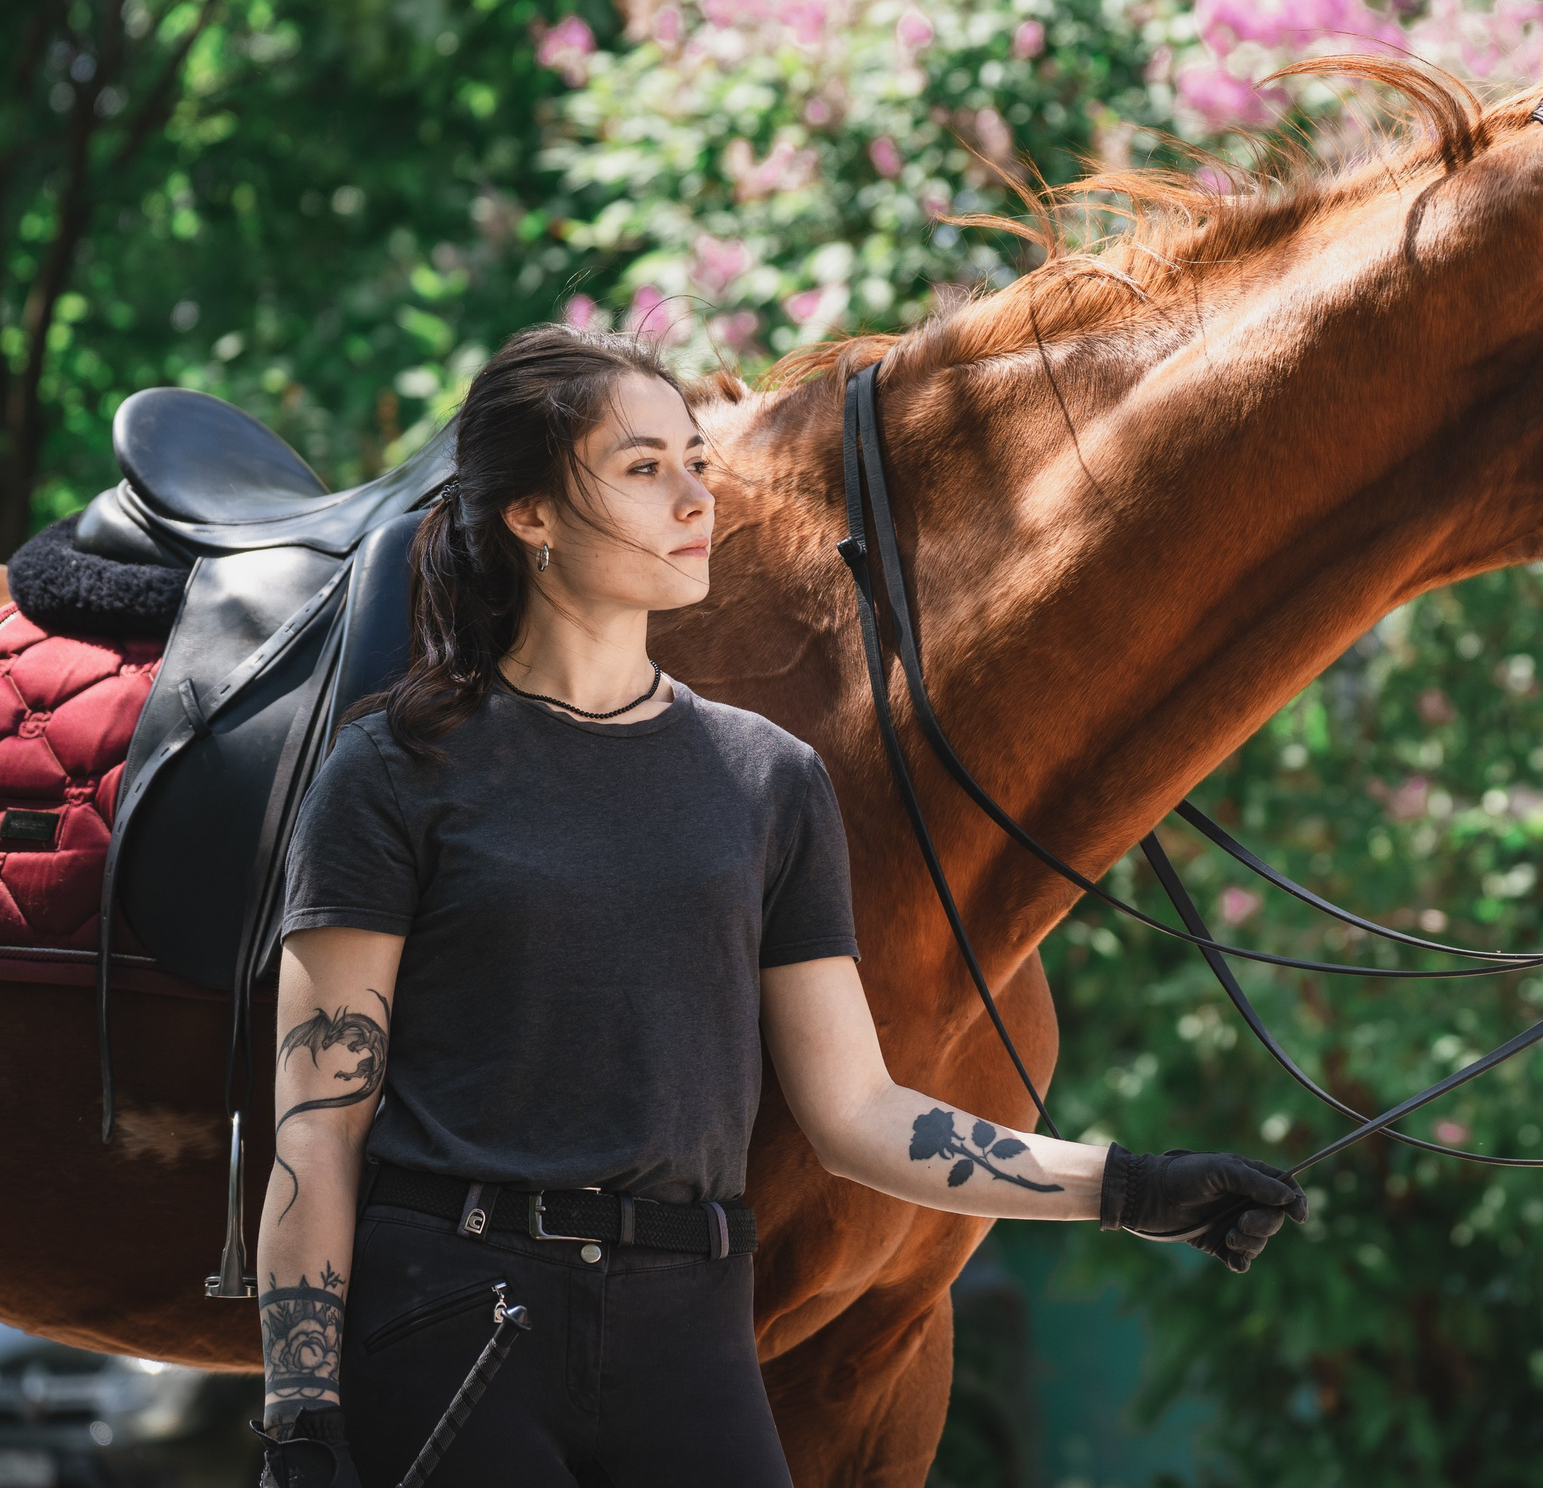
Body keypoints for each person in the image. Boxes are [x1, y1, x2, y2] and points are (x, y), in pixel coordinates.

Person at [251, 327, 1305, 1488]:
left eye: (695, 461)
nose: (695, 497)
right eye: (642, 467)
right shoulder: (396, 769)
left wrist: (1125, 1187)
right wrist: (302, 1417)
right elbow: (321, 1124)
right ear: (531, 514)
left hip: (689, 1330)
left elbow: (857, 1113)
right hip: (452, 1319)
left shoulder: (767, 777)